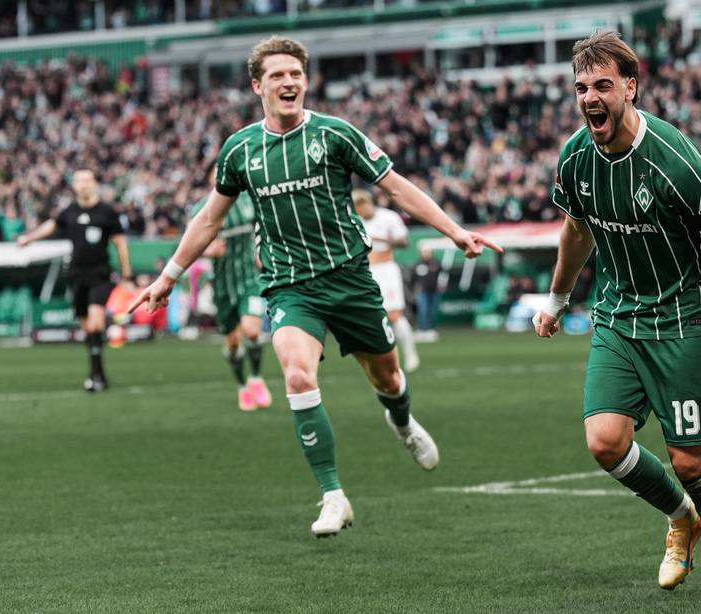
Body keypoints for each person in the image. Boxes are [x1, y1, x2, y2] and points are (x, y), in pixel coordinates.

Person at [130, 36, 502, 537]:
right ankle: (333, 495)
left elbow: (395, 186)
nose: (289, 83)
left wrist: (453, 230)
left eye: (296, 74)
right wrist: (167, 277)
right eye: (278, 75)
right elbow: (208, 221)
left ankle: (402, 422)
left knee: (389, 379)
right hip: (288, 285)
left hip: (350, 280)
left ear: (305, 81)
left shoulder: (335, 134)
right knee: (299, 377)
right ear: (257, 85)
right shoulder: (240, 149)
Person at [534, 32, 701, 595]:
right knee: (604, 441)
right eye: (581, 88)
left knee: (688, 460)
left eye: (603, 85)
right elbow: (576, 230)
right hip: (618, 317)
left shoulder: (677, 161)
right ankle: (683, 518)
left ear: (631, 86)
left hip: (684, 319)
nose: (589, 98)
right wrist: (557, 299)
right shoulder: (576, 157)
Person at [18, 169, 133, 392]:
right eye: (79, 180)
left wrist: (127, 274)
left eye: (87, 180)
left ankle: (97, 376)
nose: (83, 184)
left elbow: (120, 243)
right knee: (88, 327)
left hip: (100, 275)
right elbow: (51, 226)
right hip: (77, 276)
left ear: (95, 184)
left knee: (97, 321)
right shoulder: (69, 211)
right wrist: (29, 238)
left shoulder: (107, 212)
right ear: (74, 185)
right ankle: (96, 372)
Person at [192, 166, 272, 412]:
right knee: (234, 342)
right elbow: (189, 243)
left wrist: (263, 253)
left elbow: (267, 227)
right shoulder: (202, 209)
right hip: (223, 285)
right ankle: (242, 386)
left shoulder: (249, 200)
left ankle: (256, 378)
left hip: (250, 278)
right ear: (210, 179)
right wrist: (207, 250)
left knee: (251, 330)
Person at [352, 189, 420, 371]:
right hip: (365, 270)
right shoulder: (353, 221)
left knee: (394, 314)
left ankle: (410, 353)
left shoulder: (388, 217)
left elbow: (404, 242)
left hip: (386, 268)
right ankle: (383, 359)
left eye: (361, 204)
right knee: (368, 317)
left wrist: (377, 238)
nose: (360, 209)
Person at [413, 246, 443, 341]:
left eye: (428, 251)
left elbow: (443, 275)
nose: (426, 253)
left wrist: (442, 285)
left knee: (432, 311)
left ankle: (431, 330)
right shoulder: (418, 264)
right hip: (422, 291)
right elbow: (413, 278)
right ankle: (422, 330)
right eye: (424, 252)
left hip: (434, 291)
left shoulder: (436, 263)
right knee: (423, 310)